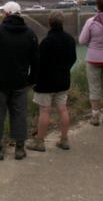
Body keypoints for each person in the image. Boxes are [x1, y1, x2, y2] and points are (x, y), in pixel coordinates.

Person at [0, 2, 39, 161]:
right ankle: (20, 148)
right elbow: (36, 60)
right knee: (19, 114)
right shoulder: (30, 34)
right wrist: (31, 80)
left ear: (7, 14)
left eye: (3, 12)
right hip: (20, 82)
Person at [26, 11, 78, 152]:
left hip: (46, 82)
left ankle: (39, 142)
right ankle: (64, 140)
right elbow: (73, 58)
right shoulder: (69, 40)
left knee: (45, 111)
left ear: (49, 23)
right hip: (63, 80)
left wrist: (33, 79)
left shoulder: (46, 42)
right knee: (63, 109)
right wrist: (64, 69)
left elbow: (38, 63)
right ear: (62, 22)